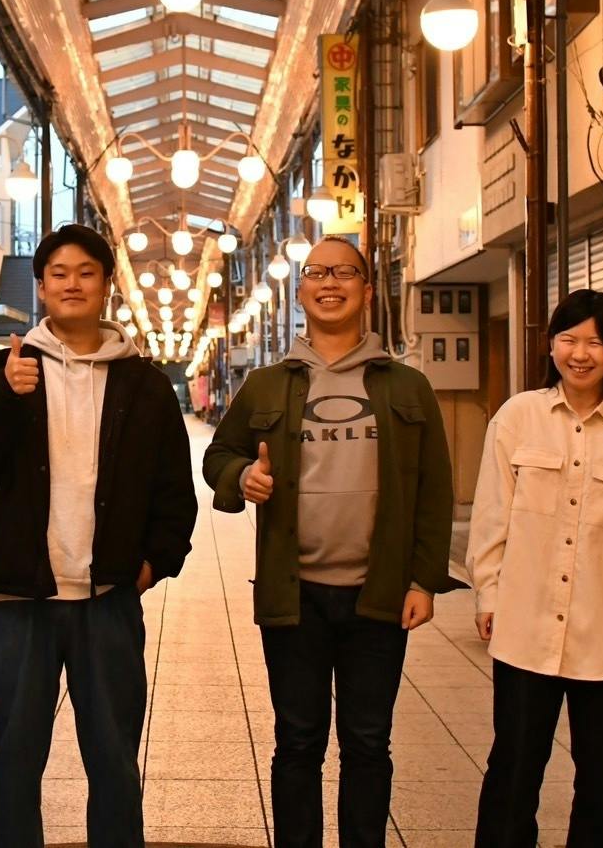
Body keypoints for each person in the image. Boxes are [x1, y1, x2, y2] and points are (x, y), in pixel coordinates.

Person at [0, 223, 198, 848]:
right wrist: (3, 398)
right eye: (58, 273)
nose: (72, 284)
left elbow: (174, 488)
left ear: (107, 284)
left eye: (87, 272)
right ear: (40, 287)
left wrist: (152, 565)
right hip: (20, 600)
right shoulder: (6, 371)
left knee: (114, 761)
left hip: (107, 599)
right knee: (14, 761)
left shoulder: (143, 384)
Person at [204, 235, 458, 848]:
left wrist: (424, 580)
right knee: (297, 742)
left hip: (380, 595)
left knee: (368, 743)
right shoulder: (268, 384)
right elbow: (219, 455)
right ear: (301, 291)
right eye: (317, 272)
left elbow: (435, 491)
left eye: (344, 273)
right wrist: (244, 475)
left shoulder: (407, 386)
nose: (330, 283)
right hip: (295, 597)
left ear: (367, 291)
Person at [466, 289, 603, 847]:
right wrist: (488, 594)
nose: (581, 354)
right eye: (569, 339)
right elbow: (492, 514)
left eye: (595, 342)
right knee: (513, 768)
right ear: (551, 345)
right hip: (524, 627)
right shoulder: (518, 416)